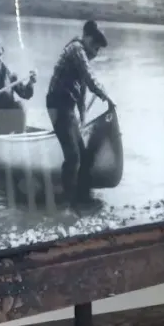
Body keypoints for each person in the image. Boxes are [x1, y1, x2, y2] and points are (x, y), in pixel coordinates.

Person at [46, 19, 115, 208]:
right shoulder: (77, 49)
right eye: (95, 46)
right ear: (86, 38)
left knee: (83, 155)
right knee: (72, 156)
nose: (95, 52)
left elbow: (82, 90)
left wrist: (83, 118)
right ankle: (67, 205)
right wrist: (106, 96)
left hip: (67, 106)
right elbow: (90, 78)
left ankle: (82, 197)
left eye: (98, 49)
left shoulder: (81, 53)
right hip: (57, 104)